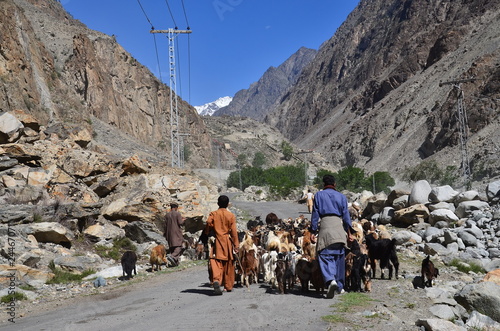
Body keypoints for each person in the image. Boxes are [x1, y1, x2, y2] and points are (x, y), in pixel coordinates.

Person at [310, 174, 354, 298]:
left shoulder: (319, 195)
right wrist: (349, 233)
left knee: (324, 255)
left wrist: (313, 232)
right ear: (334, 184)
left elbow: (315, 214)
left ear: (323, 184)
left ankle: (330, 280)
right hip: (339, 228)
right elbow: (346, 216)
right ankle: (340, 287)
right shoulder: (341, 196)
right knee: (339, 257)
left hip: (325, 227)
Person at [203, 195, 239, 295]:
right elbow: (234, 232)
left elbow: (208, 223)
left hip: (217, 241)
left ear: (218, 203)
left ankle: (217, 280)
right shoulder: (230, 215)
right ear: (227, 204)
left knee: (216, 262)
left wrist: (208, 231)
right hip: (227, 241)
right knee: (229, 264)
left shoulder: (213, 214)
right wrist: (236, 245)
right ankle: (228, 286)